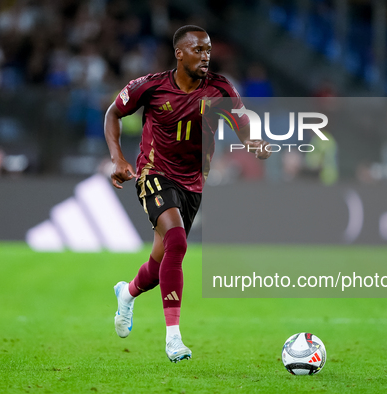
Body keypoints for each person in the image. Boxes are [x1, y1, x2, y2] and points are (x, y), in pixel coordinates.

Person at [104, 25, 270, 362]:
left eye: (208, 49)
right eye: (198, 49)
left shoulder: (221, 89)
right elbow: (113, 113)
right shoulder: (150, 87)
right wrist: (118, 157)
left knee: (159, 260)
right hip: (154, 174)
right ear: (179, 53)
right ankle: (173, 339)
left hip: (193, 183)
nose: (205, 56)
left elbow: (242, 123)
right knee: (178, 242)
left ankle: (128, 292)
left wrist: (252, 141)